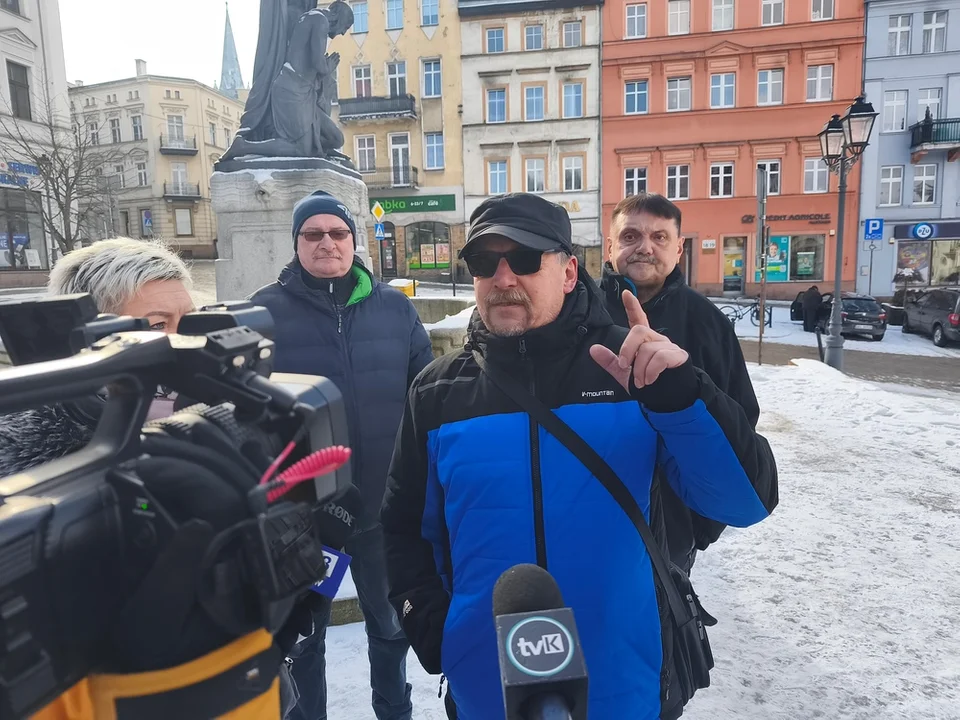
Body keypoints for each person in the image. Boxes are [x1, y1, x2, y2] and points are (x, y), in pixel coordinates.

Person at [381, 193, 778, 720]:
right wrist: (436, 628)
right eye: (484, 263)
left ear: (569, 273)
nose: (503, 278)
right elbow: (403, 528)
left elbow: (746, 501)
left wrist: (684, 399)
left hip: (624, 682)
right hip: (488, 687)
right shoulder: (437, 393)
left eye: (524, 259)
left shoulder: (631, 369)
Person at [250, 191, 433, 720]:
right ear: (297, 244)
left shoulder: (394, 307)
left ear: (355, 242)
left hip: (381, 504)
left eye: (338, 233)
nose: (327, 242)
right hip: (303, 517)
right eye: (314, 234)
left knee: (390, 626)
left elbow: (424, 393)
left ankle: (394, 712)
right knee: (304, 636)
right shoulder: (263, 311)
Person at [599, 193, 773, 573]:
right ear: (610, 246)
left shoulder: (708, 323)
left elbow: (739, 424)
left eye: (659, 237)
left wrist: (700, 526)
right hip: (590, 519)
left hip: (674, 533)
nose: (644, 247)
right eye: (630, 236)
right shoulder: (581, 316)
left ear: (678, 249)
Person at [0, 238, 195, 477]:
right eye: (158, 325)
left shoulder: (217, 394)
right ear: (91, 333)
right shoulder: (39, 455)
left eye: (189, 319)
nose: (184, 336)